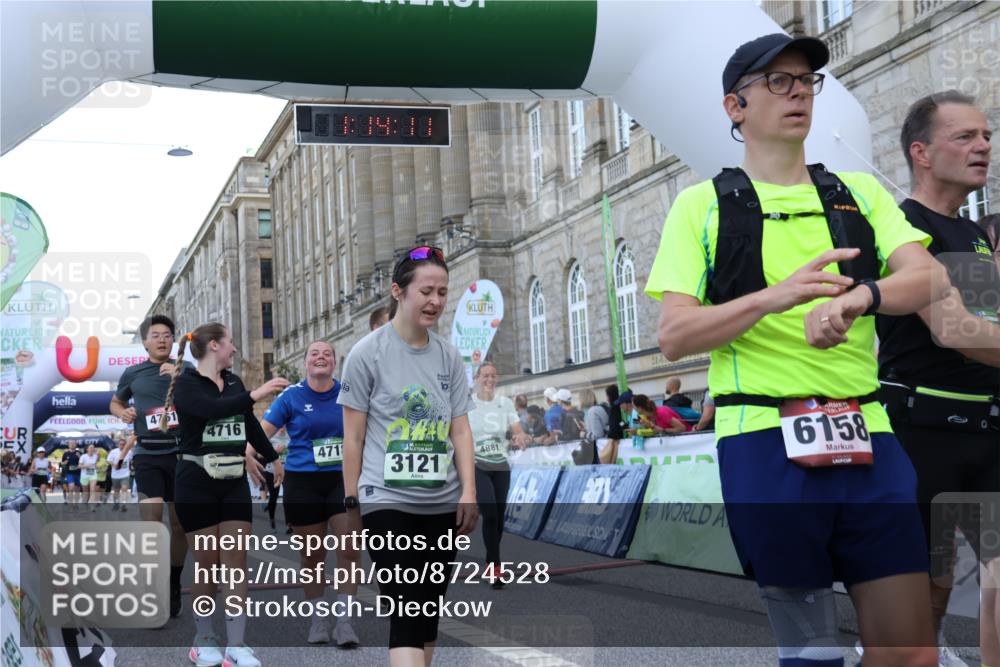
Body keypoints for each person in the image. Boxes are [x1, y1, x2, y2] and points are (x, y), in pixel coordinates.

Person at [647, 32, 949, 667]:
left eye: (806, 82)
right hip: (764, 440)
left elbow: (928, 278)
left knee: (911, 654)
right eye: (778, 82)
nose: (799, 94)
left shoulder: (860, 193)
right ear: (736, 106)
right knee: (812, 658)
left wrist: (857, 298)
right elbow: (674, 335)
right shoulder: (700, 205)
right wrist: (773, 298)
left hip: (868, 433)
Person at [876, 91, 999, 666]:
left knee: (998, 580)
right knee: (933, 583)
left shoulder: (974, 234)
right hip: (922, 430)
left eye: (987, 135)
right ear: (921, 153)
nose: (984, 146)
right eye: (966, 137)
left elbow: (987, 331)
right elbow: (957, 333)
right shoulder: (900, 226)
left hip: (986, 427)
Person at [338, 245, 479, 663]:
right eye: (426, 291)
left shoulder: (448, 355)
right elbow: (354, 437)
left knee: (427, 610)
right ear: (398, 292)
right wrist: (352, 500)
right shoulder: (367, 353)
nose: (436, 301)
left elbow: (460, 428)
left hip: (441, 501)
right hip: (386, 498)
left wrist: (468, 490)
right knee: (406, 607)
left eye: (442, 291)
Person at [163, 323, 288, 667]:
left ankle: (236, 643)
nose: (235, 349)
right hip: (195, 480)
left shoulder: (233, 382)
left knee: (235, 564)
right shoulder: (186, 384)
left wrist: (275, 457)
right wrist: (257, 393)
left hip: (233, 480)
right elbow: (211, 410)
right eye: (231, 343)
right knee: (207, 565)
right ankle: (203, 639)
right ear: (215, 345)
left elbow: (247, 423)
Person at [246, 340, 362, 647]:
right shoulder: (292, 396)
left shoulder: (349, 392)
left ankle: (345, 623)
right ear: (306, 363)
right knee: (313, 556)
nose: (321, 357)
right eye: (315, 353)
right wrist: (249, 456)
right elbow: (262, 432)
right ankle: (318, 620)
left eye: (327, 354)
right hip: (302, 482)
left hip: (342, 479)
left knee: (349, 550)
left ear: (334, 364)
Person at [110, 315, 193, 617]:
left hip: (181, 454)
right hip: (147, 454)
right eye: (155, 335)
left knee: (180, 525)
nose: (162, 339)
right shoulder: (133, 373)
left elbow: (206, 398)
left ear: (174, 340)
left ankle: (172, 582)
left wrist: (182, 377)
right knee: (151, 519)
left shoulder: (188, 370)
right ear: (144, 341)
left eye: (168, 335)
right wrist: (124, 412)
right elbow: (115, 403)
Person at [468, 361, 529, 589]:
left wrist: (520, 437)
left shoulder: (504, 404)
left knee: (499, 517)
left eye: (493, 376)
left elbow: (517, 429)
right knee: (490, 515)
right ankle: (495, 566)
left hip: (501, 465)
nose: (490, 380)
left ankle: (490, 560)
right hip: (477, 464)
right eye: (486, 375)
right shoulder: (468, 404)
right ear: (477, 378)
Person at [106, 437, 133, 511]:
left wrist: (132, 468)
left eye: (124, 444)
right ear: (118, 445)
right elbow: (108, 460)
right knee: (116, 491)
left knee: (124, 489)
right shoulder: (113, 452)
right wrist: (114, 464)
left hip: (125, 474)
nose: (122, 446)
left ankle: (123, 505)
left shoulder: (129, 452)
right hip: (115, 475)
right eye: (121, 444)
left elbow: (132, 460)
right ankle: (116, 504)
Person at [60, 439, 81, 510]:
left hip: (78, 473)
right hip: (69, 473)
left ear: (75, 445)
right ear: (68, 445)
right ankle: (71, 505)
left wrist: (79, 457)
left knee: (77, 490)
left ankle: (76, 504)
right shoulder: (65, 454)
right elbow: (62, 463)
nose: (72, 445)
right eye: (71, 443)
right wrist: (64, 463)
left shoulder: (79, 453)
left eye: (73, 443)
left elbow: (83, 462)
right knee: (71, 488)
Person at [78, 444, 99, 509]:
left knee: (92, 490)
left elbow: (96, 462)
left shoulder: (95, 456)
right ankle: (85, 504)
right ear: (87, 449)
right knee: (86, 492)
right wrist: (87, 465)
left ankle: (92, 505)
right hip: (84, 476)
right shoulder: (83, 456)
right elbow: (79, 466)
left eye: (93, 448)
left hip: (93, 475)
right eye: (91, 448)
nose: (92, 449)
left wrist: (97, 467)